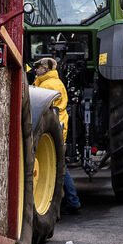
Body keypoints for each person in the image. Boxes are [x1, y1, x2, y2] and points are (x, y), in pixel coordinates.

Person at [31, 57, 81, 214]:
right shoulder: (50, 82)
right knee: (60, 166)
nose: (36, 69)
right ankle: (72, 201)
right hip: (59, 126)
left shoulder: (48, 85)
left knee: (59, 167)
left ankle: (72, 201)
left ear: (46, 69)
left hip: (54, 129)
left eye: (38, 67)